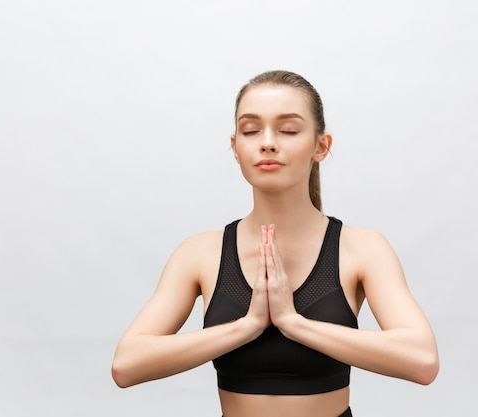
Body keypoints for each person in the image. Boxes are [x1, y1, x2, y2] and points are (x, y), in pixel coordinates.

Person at [111, 70, 439, 417]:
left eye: (288, 130)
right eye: (251, 130)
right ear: (235, 147)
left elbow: (422, 360)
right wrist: (245, 326)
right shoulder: (199, 253)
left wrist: (294, 323)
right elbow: (126, 365)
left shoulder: (362, 249)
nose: (267, 142)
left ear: (320, 146)